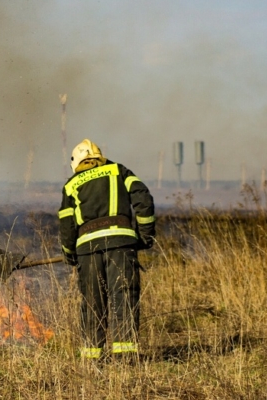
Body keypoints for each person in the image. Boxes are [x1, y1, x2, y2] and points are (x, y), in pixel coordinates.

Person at [58, 139, 156, 360]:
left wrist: (69, 252)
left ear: (76, 161)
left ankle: (92, 359)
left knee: (92, 302)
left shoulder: (71, 184)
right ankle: (126, 357)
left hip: (87, 249)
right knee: (124, 296)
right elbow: (143, 198)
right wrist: (145, 234)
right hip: (121, 244)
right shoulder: (119, 171)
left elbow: (66, 222)